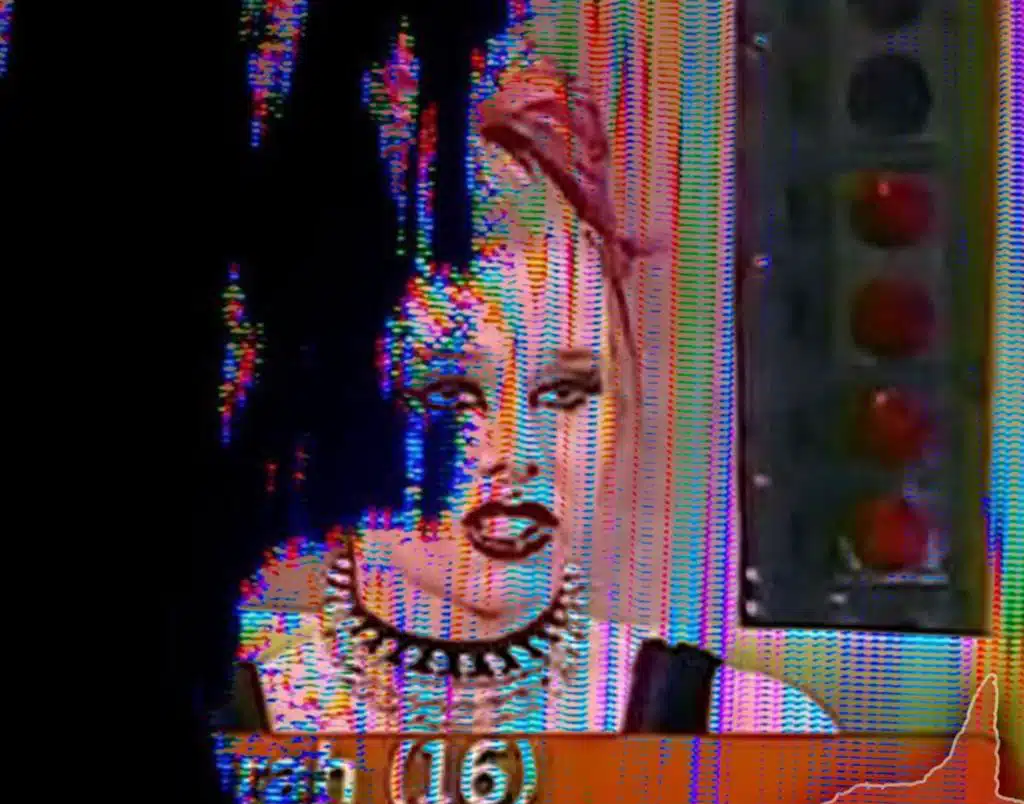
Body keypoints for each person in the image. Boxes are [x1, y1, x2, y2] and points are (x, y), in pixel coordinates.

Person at [233, 54, 837, 739]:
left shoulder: (746, 729)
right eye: (448, 395)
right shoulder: (225, 731)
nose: (518, 451)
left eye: (565, 392)